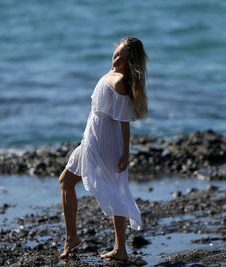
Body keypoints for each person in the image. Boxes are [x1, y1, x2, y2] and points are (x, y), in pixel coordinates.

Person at [58, 36, 148, 261]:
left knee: (114, 190)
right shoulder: (113, 73)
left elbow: (124, 122)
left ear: (131, 63)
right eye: (117, 53)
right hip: (93, 135)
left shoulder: (120, 82)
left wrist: (125, 153)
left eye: (123, 59)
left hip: (106, 140)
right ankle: (73, 237)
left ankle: (120, 249)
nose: (117, 59)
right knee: (66, 182)